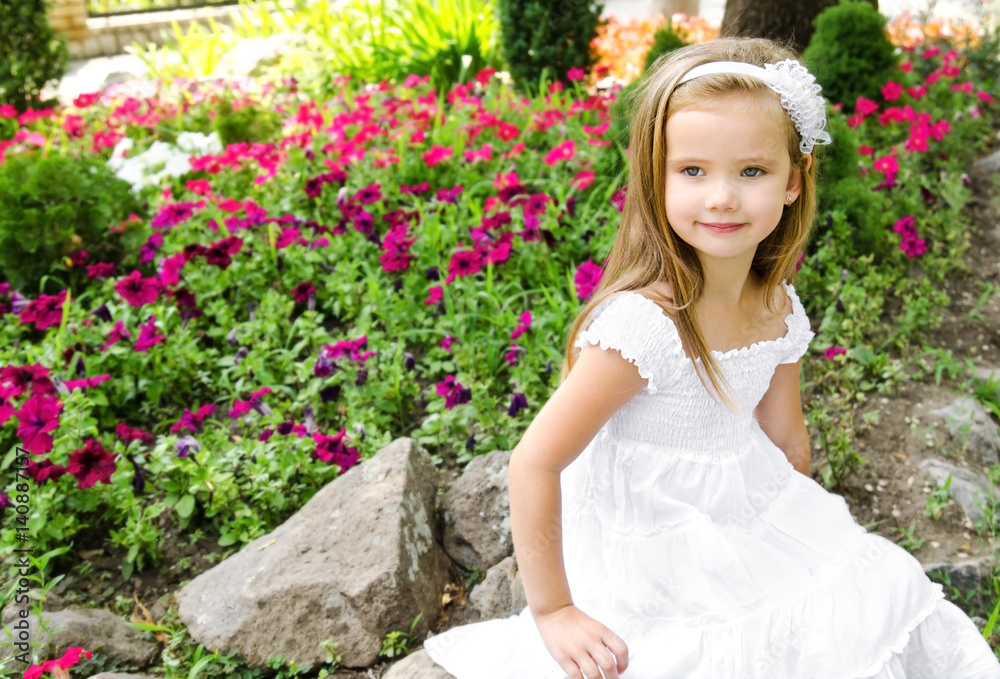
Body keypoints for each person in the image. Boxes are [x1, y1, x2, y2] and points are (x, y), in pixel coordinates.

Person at [423, 37, 1000, 678]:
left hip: (738, 508)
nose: (721, 196)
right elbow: (536, 460)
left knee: (871, 593)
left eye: (751, 171)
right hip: (652, 543)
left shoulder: (776, 304)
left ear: (793, 181)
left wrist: (791, 544)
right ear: (656, 177)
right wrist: (555, 610)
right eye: (692, 171)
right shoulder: (646, 328)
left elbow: (788, 442)